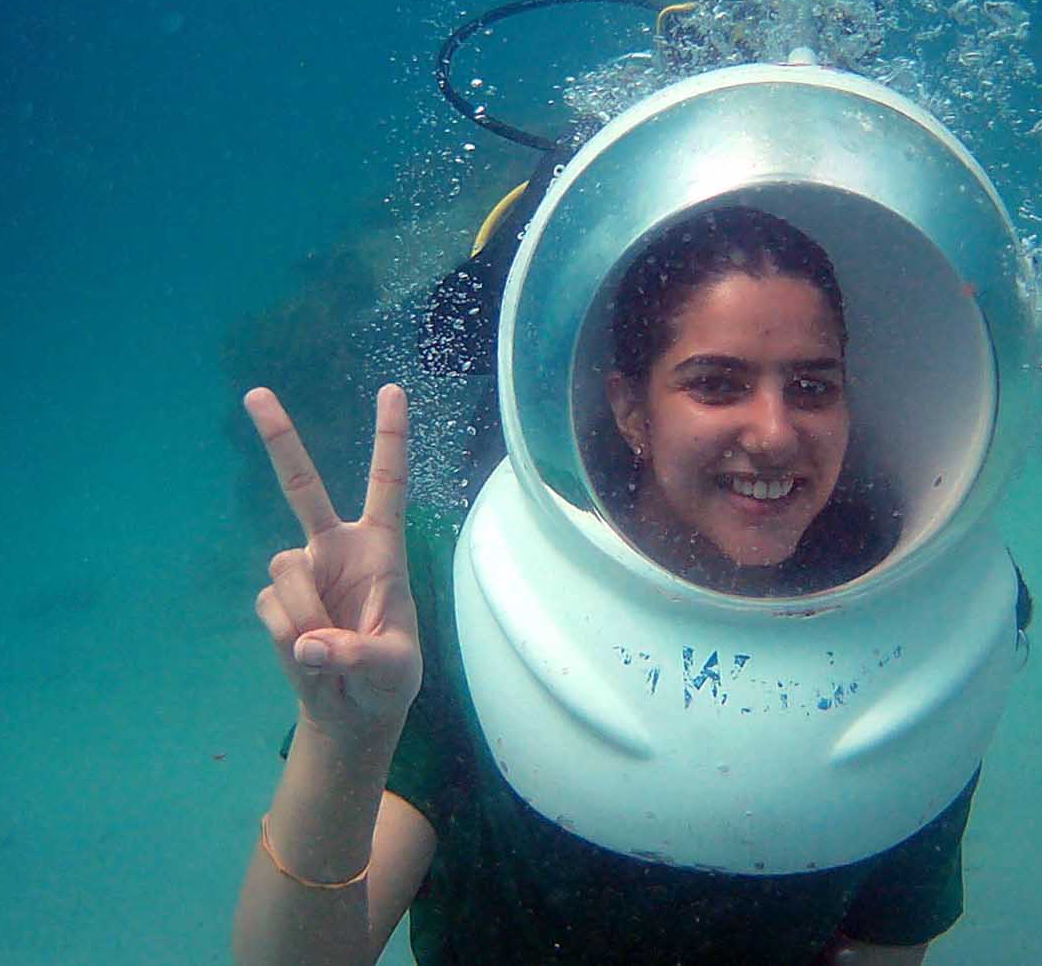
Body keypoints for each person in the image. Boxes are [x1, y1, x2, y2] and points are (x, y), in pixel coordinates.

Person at [232, 209, 974, 965]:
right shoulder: (445, 593)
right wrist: (344, 738)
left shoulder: (919, 624)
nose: (775, 433)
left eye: (813, 387)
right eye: (717, 383)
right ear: (630, 409)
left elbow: (884, 947)